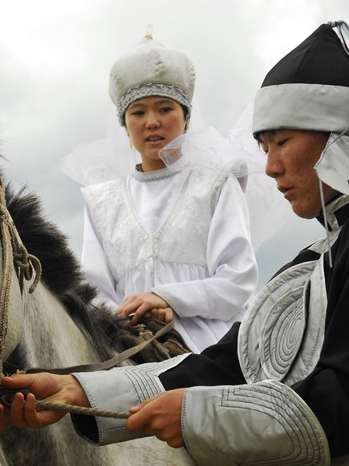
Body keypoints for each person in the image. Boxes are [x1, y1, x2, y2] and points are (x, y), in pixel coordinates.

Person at [0, 21, 349, 465]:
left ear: (340, 135)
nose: (269, 168)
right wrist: (78, 389)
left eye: (281, 142)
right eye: (264, 147)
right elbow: (231, 360)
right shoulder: (323, 255)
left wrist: (198, 414)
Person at [69, 34, 260, 353]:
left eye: (165, 108)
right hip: (124, 343)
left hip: (211, 344)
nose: (152, 122)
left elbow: (237, 281)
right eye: (138, 112)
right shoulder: (101, 202)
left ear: (186, 118)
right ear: (125, 125)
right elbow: (94, 289)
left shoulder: (216, 183)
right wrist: (131, 315)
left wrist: (167, 298)